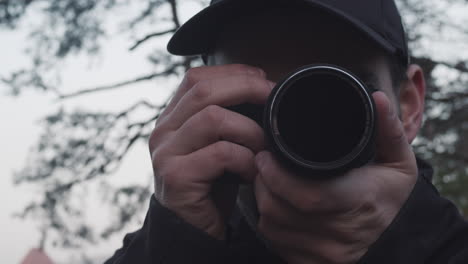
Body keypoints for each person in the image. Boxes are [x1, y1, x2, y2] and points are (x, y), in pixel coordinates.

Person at [105, 0, 468, 263]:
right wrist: (177, 246)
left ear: (408, 106)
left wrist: (411, 248)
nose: (296, 125)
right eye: (253, 97)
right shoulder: (168, 247)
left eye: (332, 94)